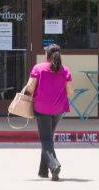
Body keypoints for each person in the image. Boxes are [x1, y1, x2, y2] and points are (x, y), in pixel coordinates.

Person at [21, 44, 74, 181]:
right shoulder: (65, 70)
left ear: (46, 55)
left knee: (45, 139)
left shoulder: (38, 68)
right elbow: (70, 92)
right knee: (48, 138)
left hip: (41, 108)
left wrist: (25, 91)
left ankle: (54, 165)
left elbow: (30, 88)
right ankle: (43, 171)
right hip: (58, 109)